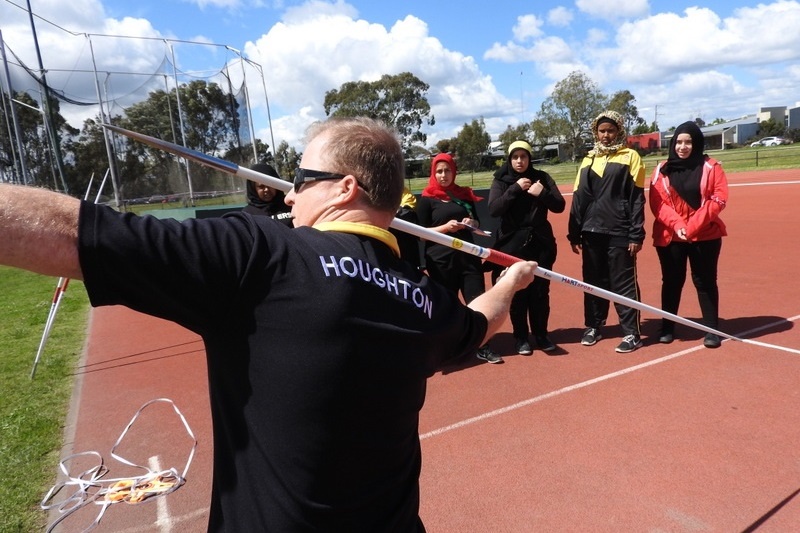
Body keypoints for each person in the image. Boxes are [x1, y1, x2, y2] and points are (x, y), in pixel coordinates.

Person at [0, 116, 537, 532]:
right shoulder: (424, 299)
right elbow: (478, 322)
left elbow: (75, 234)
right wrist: (511, 284)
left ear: (344, 188)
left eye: (301, 179)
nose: (289, 193)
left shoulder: (259, 253)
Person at [567, 110, 646, 353]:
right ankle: (593, 326)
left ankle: (632, 333)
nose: (606, 135)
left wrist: (636, 234)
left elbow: (636, 199)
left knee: (623, 283)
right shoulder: (588, 159)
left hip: (619, 231)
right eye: (602, 131)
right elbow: (579, 197)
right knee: (593, 282)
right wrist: (574, 231)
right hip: (591, 231)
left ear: (619, 131)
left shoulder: (630, 157)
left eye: (610, 130)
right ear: (596, 132)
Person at [416, 153, 503, 364]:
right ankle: (449, 347)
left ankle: (483, 345)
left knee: (477, 301)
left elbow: (477, 224)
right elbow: (420, 232)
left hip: (468, 258)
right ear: (433, 173)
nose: (444, 175)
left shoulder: (463, 195)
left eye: (447, 170)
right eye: (439, 171)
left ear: (454, 171)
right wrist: (445, 228)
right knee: (446, 305)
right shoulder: (427, 199)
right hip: (441, 261)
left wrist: (471, 223)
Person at [649, 121, 728, 348]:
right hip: (670, 236)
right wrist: (677, 225)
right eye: (679, 142)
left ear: (697, 143)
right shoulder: (662, 169)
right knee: (672, 281)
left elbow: (718, 199)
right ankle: (667, 326)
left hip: (705, 235)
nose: (683, 147)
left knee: (705, 281)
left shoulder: (712, 167)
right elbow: (657, 202)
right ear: (673, 143)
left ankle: (711, 329)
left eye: (689, 142)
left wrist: (692, 226)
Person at [488, 140, 565, 355]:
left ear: (530, 158)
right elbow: (494, 209)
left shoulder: (543, 178)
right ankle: (521, 337)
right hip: (512, 245)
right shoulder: (501, 180)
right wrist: (514, 189)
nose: (519, 161)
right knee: (518, 293)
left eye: (524, 156)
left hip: (540, 242)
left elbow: (559, 206)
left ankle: (541, 334)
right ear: (510, 159)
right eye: (515, 157)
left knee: (540, 292)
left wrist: (543, 193)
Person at [241, 162, 294, 227]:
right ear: (253, 188)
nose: (266, 189)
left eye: (270, 185)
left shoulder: (289, 204)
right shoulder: (248, 214)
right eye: (261, 186)